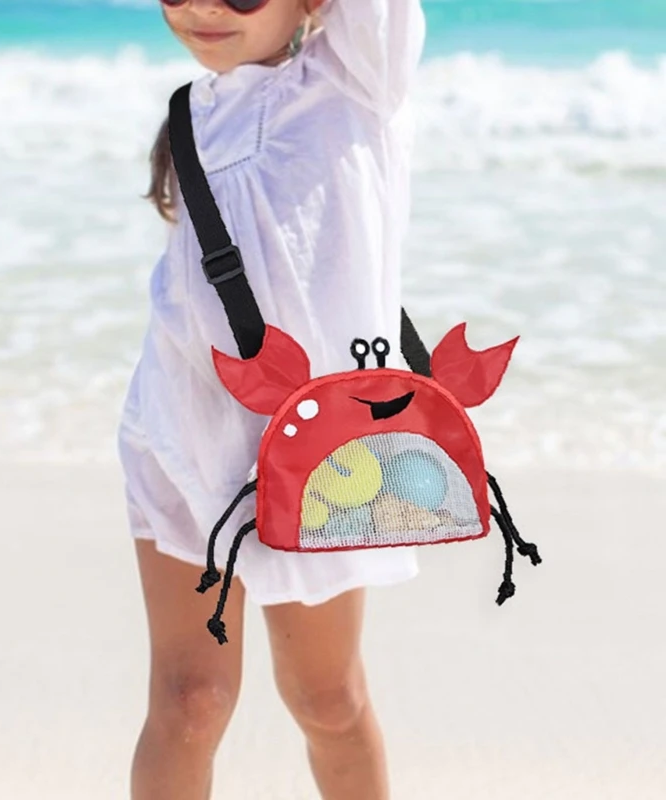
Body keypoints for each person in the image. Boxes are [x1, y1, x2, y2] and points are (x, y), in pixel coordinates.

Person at [117, 0, 426, 797]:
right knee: (190, 701)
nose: (202, 8)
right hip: (179, 434)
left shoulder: (356, 79)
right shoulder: (189, 116)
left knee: (327, 699)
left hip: (328, 457)